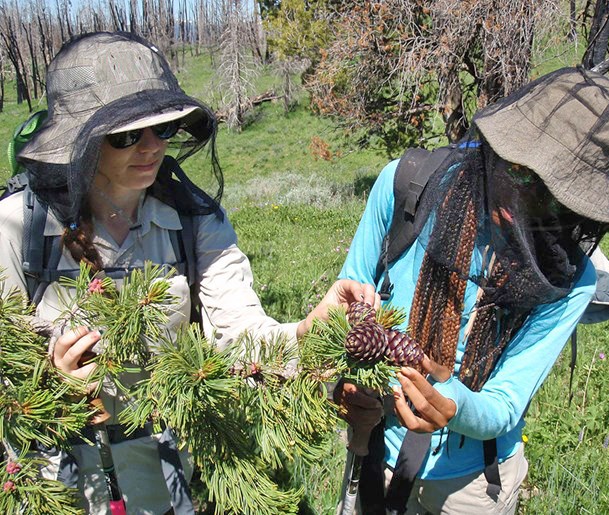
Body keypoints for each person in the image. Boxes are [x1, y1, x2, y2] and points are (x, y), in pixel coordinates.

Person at [0, 31, 378, 514]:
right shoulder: (19, 229)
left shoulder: (195, 220)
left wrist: (307, 331)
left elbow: (239, 332)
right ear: (82, 142)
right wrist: (51, 386)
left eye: (166, 128)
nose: (152, 147)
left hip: (164, 477)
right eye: (126, 136)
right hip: (58, 484)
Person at [337, 67, 609, 514]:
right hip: (378, 445)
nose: (523, 199)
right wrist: (344, 383)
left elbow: (504, 403)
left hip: (473, 484)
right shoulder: (408, 187)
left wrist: (452, 403)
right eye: (518, 172)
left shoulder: (570, 280)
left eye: (551, 194)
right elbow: (346, 303)